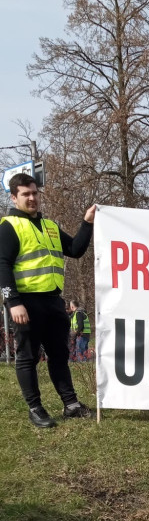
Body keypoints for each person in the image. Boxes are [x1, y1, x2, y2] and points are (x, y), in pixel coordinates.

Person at [0, 173, 96, 428]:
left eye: (35, 193)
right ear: (14, 197)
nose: (32, 198)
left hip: (54, 302)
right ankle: (35, 408)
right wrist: (12, 302)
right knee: (28, 357)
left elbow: (75, 250)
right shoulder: (9, 226)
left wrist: (87, 223)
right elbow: (3, 264)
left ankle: (71, 405)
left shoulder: (50, 226)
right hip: (26, 303)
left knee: (59, 355)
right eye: (25, 194)